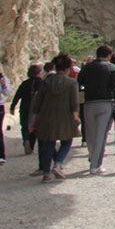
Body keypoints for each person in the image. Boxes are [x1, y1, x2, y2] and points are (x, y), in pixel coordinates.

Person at [33, 54, 81, 183]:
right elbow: (74, 105)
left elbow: (38, 103)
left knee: (48, 144)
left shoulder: (46, 81)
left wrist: (34, 121)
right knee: (67, 141)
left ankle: (46, 174)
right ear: (67, 69)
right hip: (65, 116)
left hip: (46, 115)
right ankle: (58, 164)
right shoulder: (72, 82)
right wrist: (76, 120)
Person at [76, 45, 115, 176]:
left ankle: (93, 157)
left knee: (90, 133)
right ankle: (95, 165)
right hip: (105, 102)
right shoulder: (111, 68)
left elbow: (80, 82)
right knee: (101, 134)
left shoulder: (86, 67)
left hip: (89, 102)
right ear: (108, 55)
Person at [8, 64, 42, 154]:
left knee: (24, 126)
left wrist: (12, 107)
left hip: (25, 107)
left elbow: (17, 95)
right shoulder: (42, 83)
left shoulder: (25, 83)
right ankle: (31, 145)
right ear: (39, 73)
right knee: (35, 127)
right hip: (37, 108)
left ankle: (26, 139)